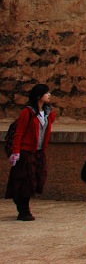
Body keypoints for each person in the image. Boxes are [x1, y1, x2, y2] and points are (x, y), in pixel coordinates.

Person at [6, 83, 56, 221]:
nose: (49, 95)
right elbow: (19, 133)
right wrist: (16, 152)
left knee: (38, 179)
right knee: (26, 181)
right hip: (26, 152)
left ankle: (20, 201)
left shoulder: (48, 113)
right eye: (47, 93)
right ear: (39, 96)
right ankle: (24, 209)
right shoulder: (27, 112)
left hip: (39, 152)